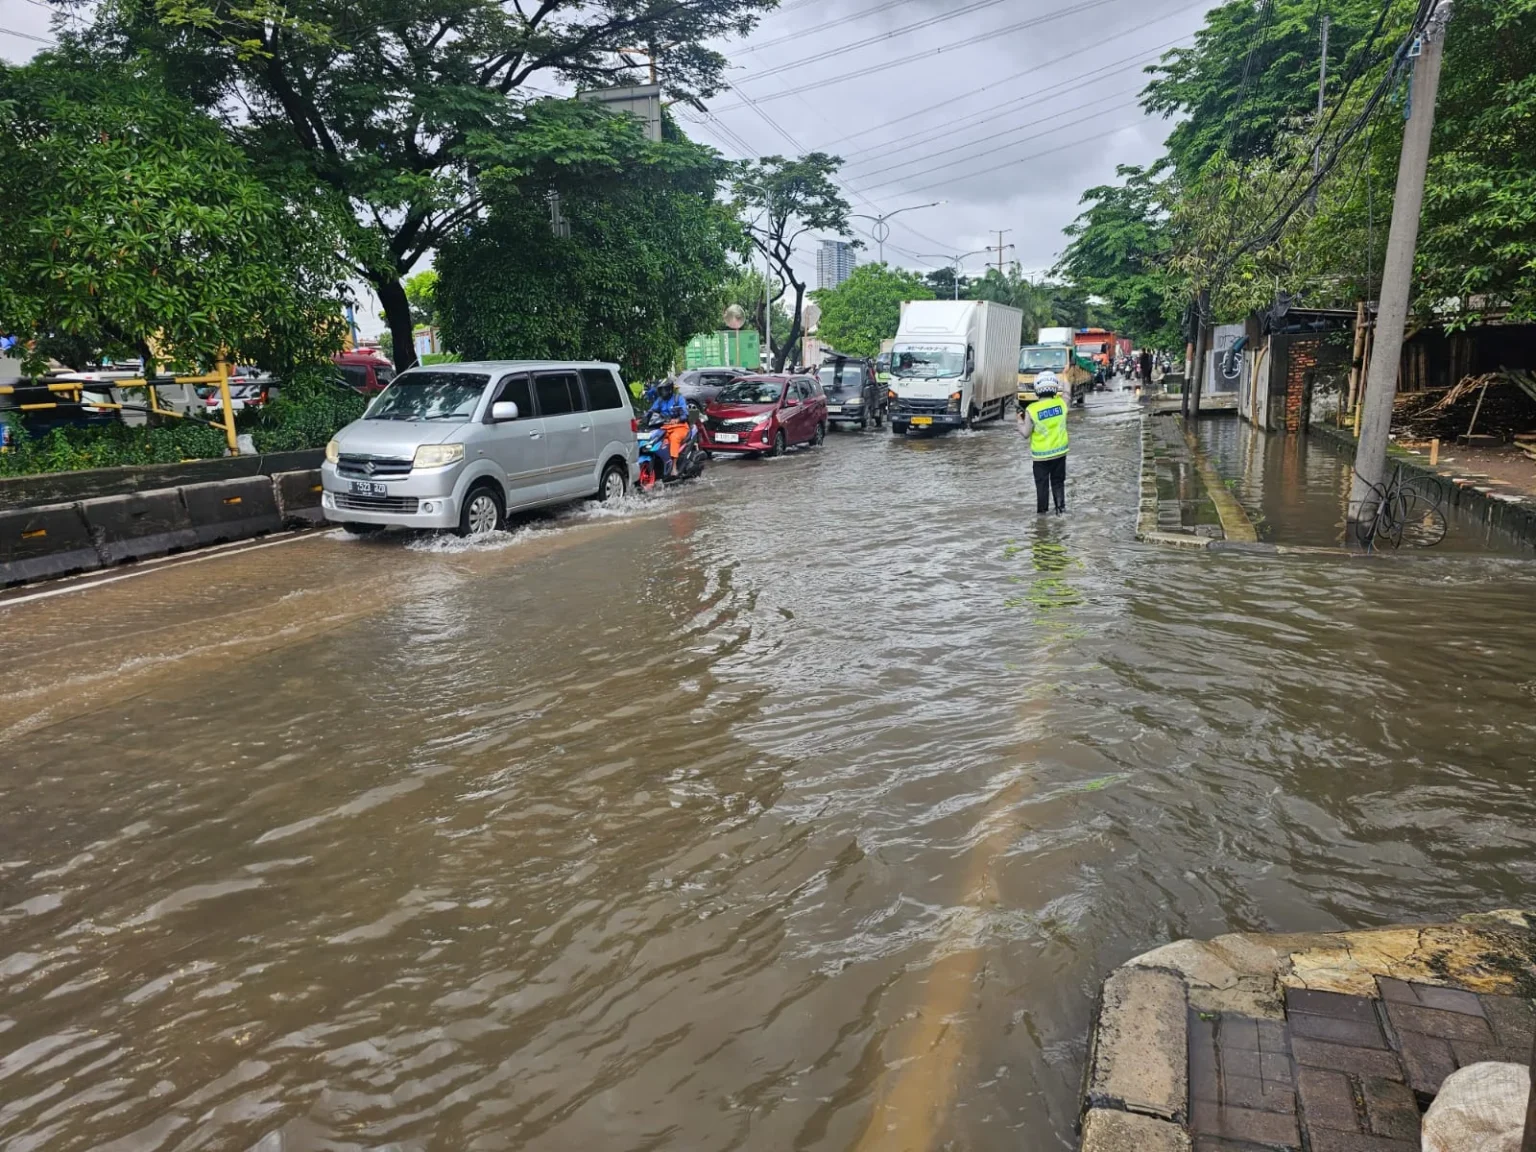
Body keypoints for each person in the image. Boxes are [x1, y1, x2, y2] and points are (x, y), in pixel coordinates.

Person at [1017, 371, 1069, 515]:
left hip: (1040, 457)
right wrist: (1065, 376)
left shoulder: (1032, 410)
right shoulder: (1062, 404)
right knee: (1058, 483)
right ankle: (1060, 510)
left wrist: (1019, 420)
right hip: (1060, 453)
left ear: (1037, 389)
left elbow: (1025, 433)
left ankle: (1042, 517)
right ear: (1054, 388)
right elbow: (1067, 393)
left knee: (1042, 486)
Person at [648, 378, 691, 478]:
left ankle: (674, 467)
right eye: (661, 390)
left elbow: (685, 414)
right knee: (656, 439)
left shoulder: (678, 399)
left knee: (674, 438)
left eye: (664, 389)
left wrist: (677, 419)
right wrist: (643, 418)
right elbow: (651, 411)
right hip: (665, 426)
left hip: (680, 426)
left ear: (670, 389)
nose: (662, 392)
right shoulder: (660, 400)